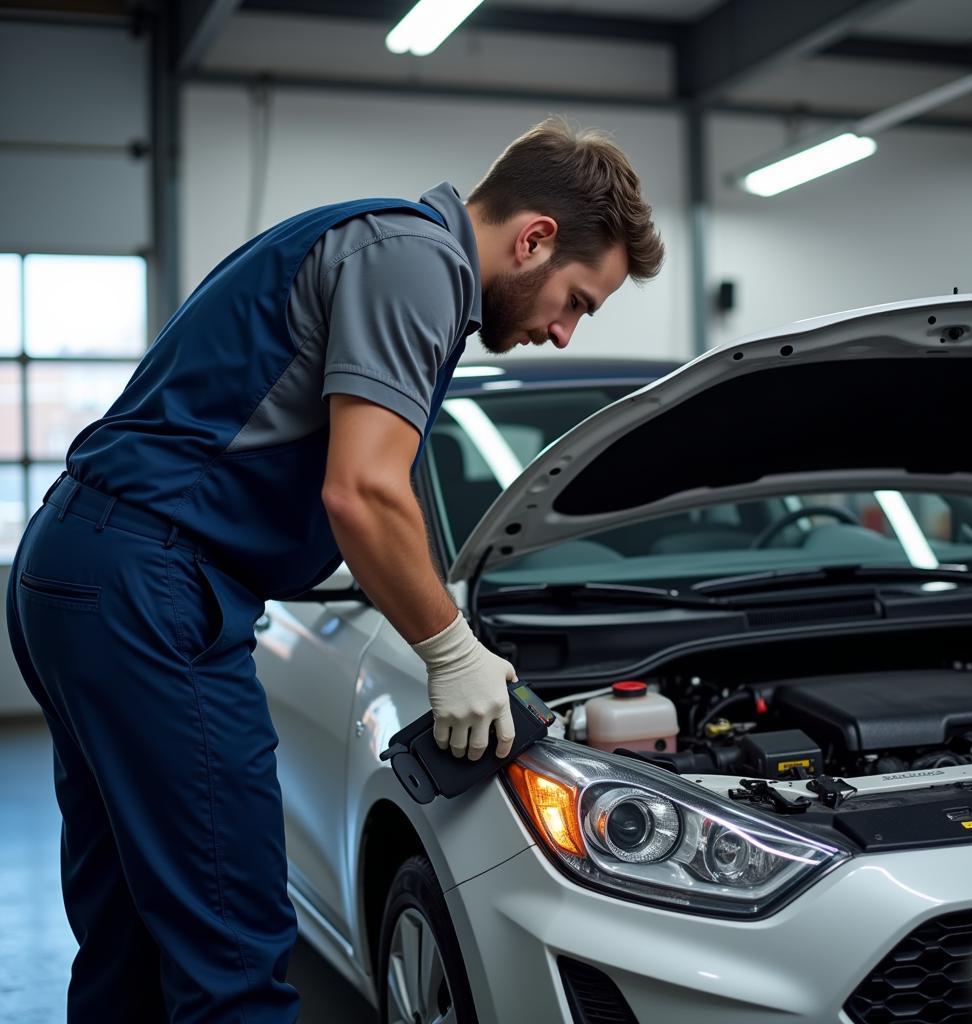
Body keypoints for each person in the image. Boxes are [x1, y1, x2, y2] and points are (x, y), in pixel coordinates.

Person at [5, 117, 664, 1023]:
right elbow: (363, 493)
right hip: (146, 582)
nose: (562, 333)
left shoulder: (379, 244)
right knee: (231, 950)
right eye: (579, 301)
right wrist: (452, 651)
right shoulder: (417, 263)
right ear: (535, 238)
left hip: (81, 566)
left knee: (128, 936)